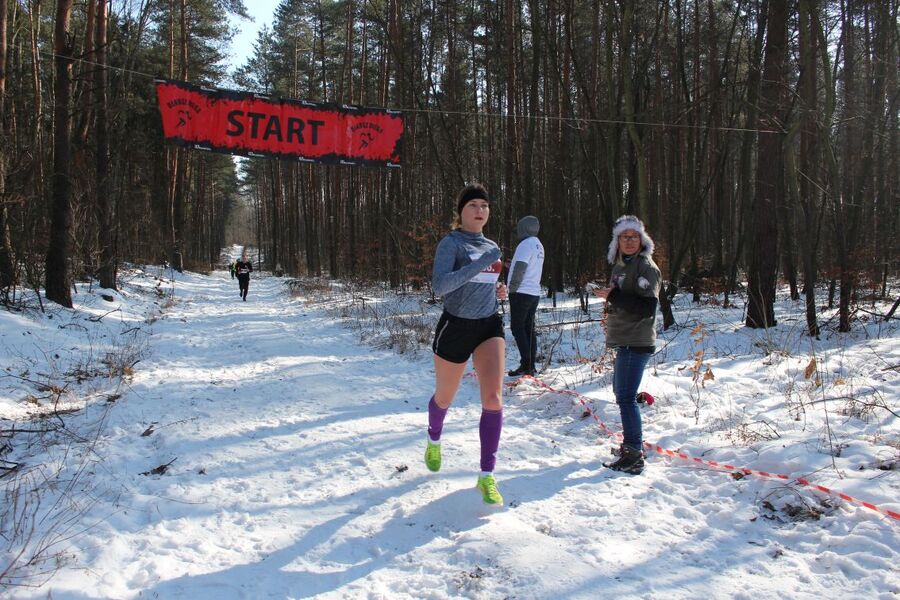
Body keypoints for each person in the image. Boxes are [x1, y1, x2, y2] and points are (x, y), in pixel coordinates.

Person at [426, 183, 508, 505]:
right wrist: (481, 263)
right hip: (456, 326)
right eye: (473, 204)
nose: (480, 210)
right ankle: (434, 438)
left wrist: (498, 290)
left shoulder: (491, 244)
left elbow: (484, 282)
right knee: (445, 397)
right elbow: (441, 286)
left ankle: (486, 475)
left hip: (489, 324)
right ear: (461, 211)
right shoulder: (452, 243)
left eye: (485, 205)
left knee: (493, 398)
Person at [591, 215, 661, 475]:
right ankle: (631, 446)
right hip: (624, 340)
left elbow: (646, 308)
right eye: (624, 237)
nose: (629, 241)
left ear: (641, 240)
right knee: (622, 394)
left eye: (634, 236)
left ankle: (634, 453)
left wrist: (613, 296)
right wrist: (610, 297)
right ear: (617, 241)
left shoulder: (646, 267)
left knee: (626, 397)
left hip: (637, 340)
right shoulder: (621, 266)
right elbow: (621, 298)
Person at [507, 215, 544, 377]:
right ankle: (530, 366)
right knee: (529, 328)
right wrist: (511, 265)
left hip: (521, 292)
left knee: (517, 327)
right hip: (533, 292)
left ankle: (526, 365)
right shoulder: (538, 245)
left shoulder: (525, 244)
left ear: (524, 228)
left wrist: (512, 289)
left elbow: (520, 268)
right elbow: (527, 266)